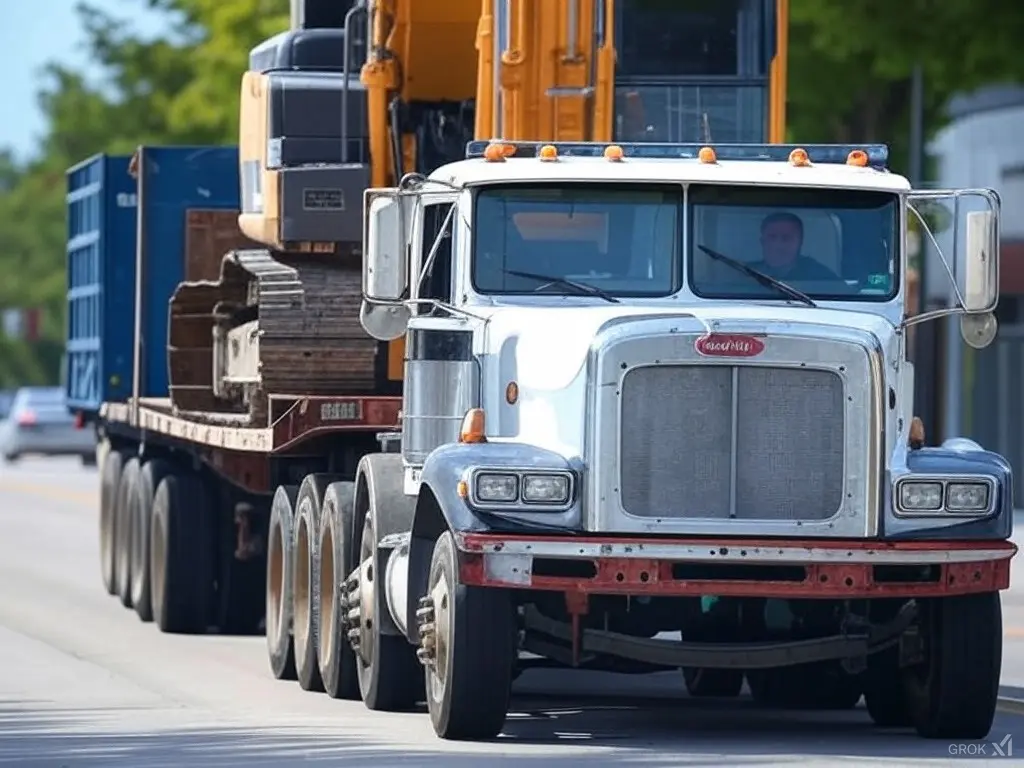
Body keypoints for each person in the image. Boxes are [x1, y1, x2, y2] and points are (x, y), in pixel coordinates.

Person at [751, 212, 841, 281]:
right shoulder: (745, 274)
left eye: (786, 238)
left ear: (800, 242)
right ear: (762, 242)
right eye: (772, 237)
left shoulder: (822, 277)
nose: (778, 245)